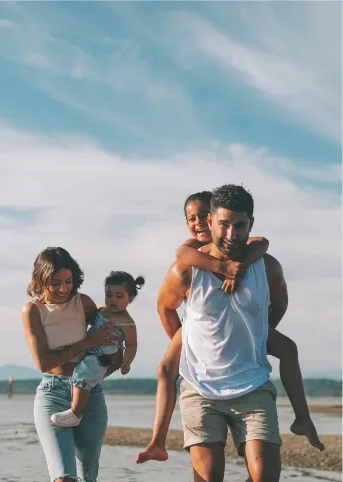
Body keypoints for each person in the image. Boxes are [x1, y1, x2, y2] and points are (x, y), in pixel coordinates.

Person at [138, 184, 302, 482]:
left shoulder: (265, 264)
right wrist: (184, 338)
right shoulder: (186, 268)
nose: (231, 234)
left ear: (249, 224)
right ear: (211, 223)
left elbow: (279, 304)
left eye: (239, 225)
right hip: (200, 387)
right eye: (223, 224)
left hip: (252, 382)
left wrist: (256, 333)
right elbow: (164, 307)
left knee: (265, 480)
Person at [136, 190, 323, 466]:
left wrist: (260, 329)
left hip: (245, 330)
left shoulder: (251, 249)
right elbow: (176, 268)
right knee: (166, 369)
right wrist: (187, 336)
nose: (198, 223)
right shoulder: (189, 251)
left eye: (203, 216)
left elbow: (262, 244)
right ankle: (158, 441)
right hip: (198, 330)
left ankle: (303, 417)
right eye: (192, 219)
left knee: (288, 349)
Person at [22, 247, 121, 482]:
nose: (63, 289)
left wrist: (112, 359)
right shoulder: (33, 311)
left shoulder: (85, 304)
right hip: (52, 394)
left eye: (68, 281)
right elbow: (44, 362)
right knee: (65, 479)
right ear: (40, 280)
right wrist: (87, 343)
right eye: (55, 283)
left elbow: (113, 334)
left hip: (90, 394)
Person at [51, 271, 144, 428]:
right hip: (90, 348)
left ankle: (75, 413)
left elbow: (131, 344)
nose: (112, 299)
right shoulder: (102, 309)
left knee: (83, 375)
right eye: (109, 295)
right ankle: (74, 403)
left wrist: (127, 361)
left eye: (119, 296)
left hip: (104, 356)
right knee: (78, 373)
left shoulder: (127, 323)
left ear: (131, 298)